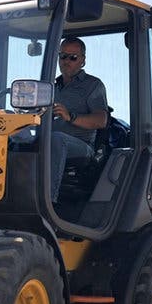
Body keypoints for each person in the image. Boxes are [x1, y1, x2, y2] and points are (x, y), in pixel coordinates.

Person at [50, 37, 108, 203]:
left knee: (56, 140)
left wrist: (70, 116)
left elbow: (101, 120)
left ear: (82, 60)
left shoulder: (93, 85)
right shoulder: (50, 86)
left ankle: (47, 200)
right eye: (63, 56)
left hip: (81, 147)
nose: (66, 61)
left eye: (73, 57)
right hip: (48, 142)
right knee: (13, 136)